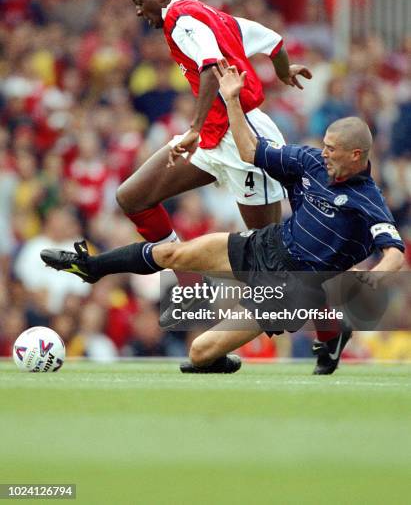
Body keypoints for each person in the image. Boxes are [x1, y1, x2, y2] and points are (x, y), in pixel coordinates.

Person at [41, 61, 405, 375]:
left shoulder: (366, 198)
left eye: (332, 150)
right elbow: (250, 151)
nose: (323, 153)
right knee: (173, 254)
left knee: (199, 352)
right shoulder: (310, 161)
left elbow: (394, 251)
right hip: (269, 245)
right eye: (324, 145)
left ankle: (325, 329)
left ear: (356, 155)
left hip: (296, 288)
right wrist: (231, 98)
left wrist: (375, 278)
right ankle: (91, 267)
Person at [119, 0, 312, 245]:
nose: (138, 11)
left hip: (241, 137)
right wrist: (283, 71)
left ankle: (307, 286)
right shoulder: (210, 14)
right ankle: (177, 265)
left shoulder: (179, 17)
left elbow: (210, 67)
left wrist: (194, 128)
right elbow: (272, 41)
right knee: (132, 198)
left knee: (265, 255)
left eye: (139, 2)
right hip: (213, 136)